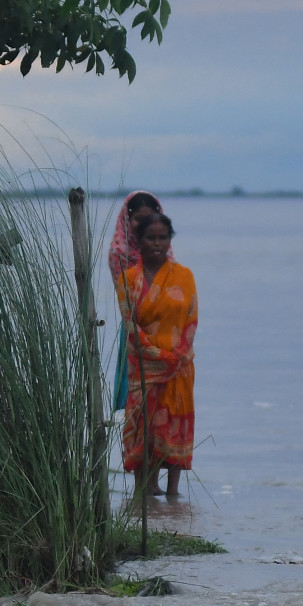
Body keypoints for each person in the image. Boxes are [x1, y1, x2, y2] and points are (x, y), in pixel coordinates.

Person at [118, 211, 196, 499]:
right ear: (139, 241)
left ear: (170, 240)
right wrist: (157, 355)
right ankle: (144, 488)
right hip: (144, 366)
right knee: (143, 428)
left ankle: (174, 493)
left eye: (163, 237)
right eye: (151, 237)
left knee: (175, 426)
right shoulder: (128, 280)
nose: (157, 243)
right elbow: (130, 325)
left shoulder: (185, 276)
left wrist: (177, 356)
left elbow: (191, 320)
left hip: (179, 366)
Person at [108, 191, 167, 413]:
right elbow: (127, 297)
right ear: (128, 219)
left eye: (151, 218)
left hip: (166, 328)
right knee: (137, 399)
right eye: (139, 219)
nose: (146, 225)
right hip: (135, 326)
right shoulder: (119, 253)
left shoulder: (162, 250)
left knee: (163, 401)